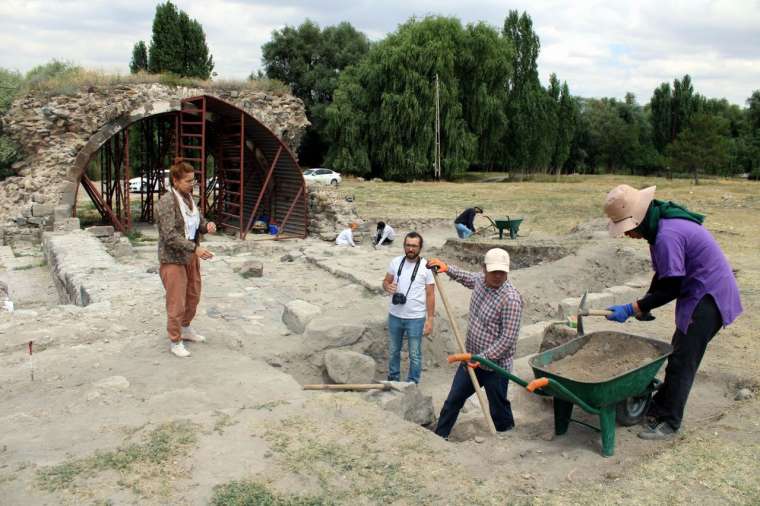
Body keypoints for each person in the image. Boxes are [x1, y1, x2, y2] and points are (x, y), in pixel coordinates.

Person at [603, 184, 742, 440]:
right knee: (678, 353)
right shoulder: (658, 227)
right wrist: (644, 302)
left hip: (710, 295)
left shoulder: (667, 234)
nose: (627, 235)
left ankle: (670, 422)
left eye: (627, 228)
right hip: (698, 291)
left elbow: (671, 287)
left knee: (683, 360)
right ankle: (660, 405)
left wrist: (633, 308)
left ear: (637, 219)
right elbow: (663, 275)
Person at [427, 248, 523, 439]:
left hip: (495, 366)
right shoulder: (480, 280)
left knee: (498, 407)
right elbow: (467, 277)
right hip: (469, 358)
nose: (497, 276)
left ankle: (507, 436)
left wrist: (484, 358)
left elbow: (507, 339)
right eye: (493, 271)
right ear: (484, 269)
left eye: (502, 272)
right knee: (453, 400)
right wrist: (447, 268)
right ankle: (439, 438)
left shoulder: (511, 299)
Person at [157, 160, 217, 358]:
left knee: (193, 294)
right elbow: (169, 235)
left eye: (194, 180)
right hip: (173, 258)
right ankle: (175, 340)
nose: (193, 184)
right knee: (176, 301)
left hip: (190, 255)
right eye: (188, 181)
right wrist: (195, 248)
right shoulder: (167, 202)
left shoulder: (189, 199)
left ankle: (185, 328)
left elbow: (196, 221)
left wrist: (206, 226)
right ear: (175, 181)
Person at [382, 232, 435, 384]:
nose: (410, 249)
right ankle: (393, 379)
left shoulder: (426, 267)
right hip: (395, 315)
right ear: (404, 246)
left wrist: (430, 320)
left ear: (420, 247)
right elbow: (385, 281)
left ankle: (412, 383)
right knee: (393, 351)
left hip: (416, 318)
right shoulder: (395, 262)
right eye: (408, 245)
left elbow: (430, 294)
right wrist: (387, 286)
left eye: (414, 246)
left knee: (415, 354)